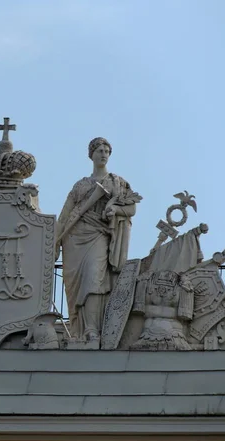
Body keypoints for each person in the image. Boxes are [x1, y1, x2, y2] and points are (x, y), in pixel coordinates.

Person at [56, 137, 141, 344]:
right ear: (91, 155)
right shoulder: (80, 185)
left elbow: (131, 208)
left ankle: (93, 329)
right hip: (75, 239)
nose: (103, 154)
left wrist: (115, 209)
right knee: (75, 286)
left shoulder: (116, 182)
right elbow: (65, 215)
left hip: (99, 235)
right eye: (99, 150)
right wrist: (55, 243)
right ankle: (79, 329)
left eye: (106, 151)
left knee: (94, 279)